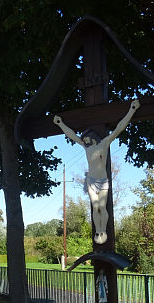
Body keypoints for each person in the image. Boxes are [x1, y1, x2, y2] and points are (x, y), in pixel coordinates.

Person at [53, 99, 140, 244]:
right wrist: (60, 123)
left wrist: (132, 109)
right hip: (91, 181)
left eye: (86, 139)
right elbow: (72, 135)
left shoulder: (104, 144)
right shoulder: (86, 147)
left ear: (92, 138)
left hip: (103, 181)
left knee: (102, 206)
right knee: (95, 206)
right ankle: (98, 231)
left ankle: (103, 230)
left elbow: (119, 128)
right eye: (84, 140)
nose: (84, 141)